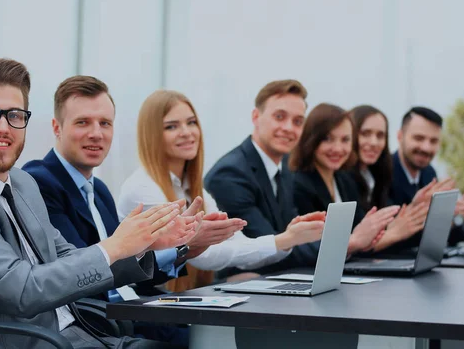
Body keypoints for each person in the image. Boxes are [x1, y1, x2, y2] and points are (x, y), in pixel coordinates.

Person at [0, 58, 197, 349]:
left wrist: (144, 246)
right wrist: (115, 246)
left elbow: (68, 257)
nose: (3, 127)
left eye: (14, 115)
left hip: (76, 332)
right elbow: (22, 292)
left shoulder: (22, 183)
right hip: (34, 342)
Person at [22, 75, 197, 346]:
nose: (96, 133)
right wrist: (154, 246)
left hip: (132, 309)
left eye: (105, 123)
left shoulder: (99, 189)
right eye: (83, 122)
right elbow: (84, 268)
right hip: (98, 322)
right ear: (57, 127)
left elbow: (126, 268)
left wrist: (180, 246)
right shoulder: (40, 182)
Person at [118, 89, 326, 290]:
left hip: (184, 296)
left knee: (248, 278)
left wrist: (290, 238)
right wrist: (286, 240)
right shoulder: (144, 188)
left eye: (191, 123)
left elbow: (238, 247)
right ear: (151, 135)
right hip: (150, 305)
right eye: (171, 127)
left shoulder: (192, 187)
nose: (187, 133)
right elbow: (205, 256)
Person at [205, 80, 332, 269]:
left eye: (297, 121)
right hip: (241, 283)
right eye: (279, 117)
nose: (289, 128)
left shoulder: (285, 167)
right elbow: (269, 247)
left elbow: (292, 236)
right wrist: (348, 245)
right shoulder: (230, 175)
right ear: (256, 117)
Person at [288, 103, 400, 256]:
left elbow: (359, 235)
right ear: (312, 139)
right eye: (328, 139)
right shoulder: (299, 184)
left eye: (345, 140)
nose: (338, 148)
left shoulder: (344, 179)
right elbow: (309, 247)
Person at [389, 106, 464, 251]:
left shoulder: (429, 173)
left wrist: (463, 217)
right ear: (399, 136)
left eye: (433, 141)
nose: (426, 147)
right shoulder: (384, 174)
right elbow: (393, 240)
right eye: (419, 138)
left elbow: (439, 238)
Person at [349, 105, 429, 252]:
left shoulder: (377, 176)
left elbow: (388, 229)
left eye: (380, 136)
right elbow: (358, 243)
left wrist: (415, 207)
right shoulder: (344, 178)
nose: (374, 142)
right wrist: (394, 233)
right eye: (365, 133)